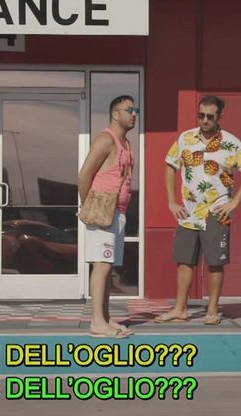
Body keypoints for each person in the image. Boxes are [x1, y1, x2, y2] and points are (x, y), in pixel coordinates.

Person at [156, 95, 241, 325]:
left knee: (214, 262)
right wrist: (172, 201)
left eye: (210, 116)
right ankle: (180, 309)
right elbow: (170, 166)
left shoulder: (231, 142)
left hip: (217, 211)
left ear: (220, 116)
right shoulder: (186, 138)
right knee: (184, 261)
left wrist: (235, 202)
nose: (205, 120)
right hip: (189, 211)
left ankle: (212, 309)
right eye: (201, 115)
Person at [77, 95, 137, 338]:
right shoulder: (106, 139)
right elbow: (84, 175)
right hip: (103, 210)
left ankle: (105, 316)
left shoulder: (126, 143)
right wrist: (89, 206)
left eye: (135, 110)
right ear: (115, 114)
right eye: (129, 110)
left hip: (118, 211)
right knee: (101, 265)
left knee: (108, 265)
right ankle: (97, 322)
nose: (134, 114)